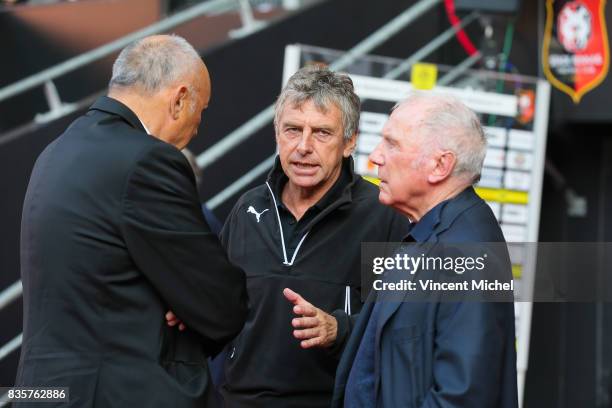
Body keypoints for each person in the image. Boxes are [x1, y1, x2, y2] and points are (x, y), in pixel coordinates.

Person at [15, 34, 247, 407]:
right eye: (200, 111)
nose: (196, 128)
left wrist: (184, 298)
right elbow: (220, 303)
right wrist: (188, 302)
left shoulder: (54, 152)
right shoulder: (147, 161)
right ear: (179, 99)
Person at [285, 93, 518, 407]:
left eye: (392, 144)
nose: (375, 157)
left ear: (440, 165)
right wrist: (340, 329)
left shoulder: (468, 254)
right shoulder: (428, 233)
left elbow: (462, 399)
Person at [216, 66, 410, 407]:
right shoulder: (248, 210)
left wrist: (339, 329)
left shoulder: (382, 217)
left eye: (322, 133)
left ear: (349, 142)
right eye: (293, 129)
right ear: (277, 133)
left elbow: (402, 330)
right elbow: (218, 307)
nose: (303, 147)